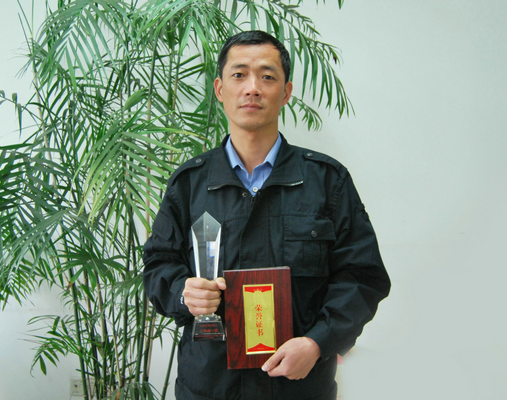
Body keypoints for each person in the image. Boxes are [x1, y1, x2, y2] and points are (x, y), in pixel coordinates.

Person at [143, 30, 391, 400]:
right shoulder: (190, 184)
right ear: (220, 89)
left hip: (299, 388)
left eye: (267, 76)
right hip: (210, 387)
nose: (252, 88)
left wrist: (317, 343)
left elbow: (363, 277)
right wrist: (183, 293)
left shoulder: (327, 181)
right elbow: (158, 265)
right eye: (239, 74)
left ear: (286, 92)